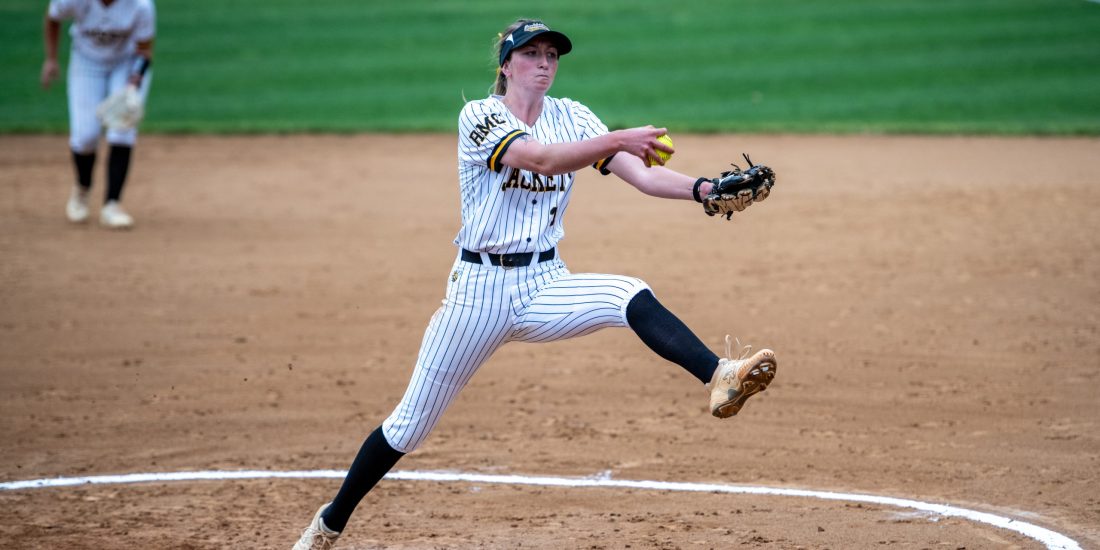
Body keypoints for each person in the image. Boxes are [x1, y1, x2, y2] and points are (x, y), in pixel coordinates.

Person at [293, 19, 777, 549]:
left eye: (552, 55)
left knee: (627, 293)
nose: (544, 64)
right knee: (409, 427)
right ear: (506, 65)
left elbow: (642, 175)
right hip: (477, 294)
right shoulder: (479, 116)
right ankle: (329, 524)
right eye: (531, 54)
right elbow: (541, 159)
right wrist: (616, 137)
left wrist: (704, 188)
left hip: (545, 282)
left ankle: (721, 376)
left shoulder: (573, 116)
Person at [41, 0, 156, 229]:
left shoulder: (141, 5)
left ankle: (112, 204)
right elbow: (53, 18)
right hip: (87, 62)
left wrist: (133, 85)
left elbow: (144, 50)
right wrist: (51, 59)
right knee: (85, 137)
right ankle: (82, 189)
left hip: (125, 63)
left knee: (122, 131)